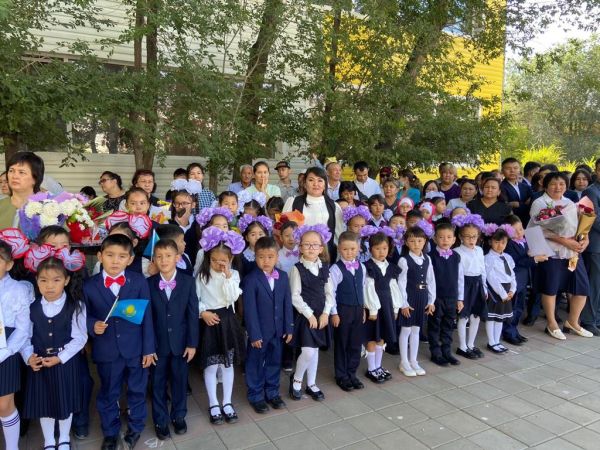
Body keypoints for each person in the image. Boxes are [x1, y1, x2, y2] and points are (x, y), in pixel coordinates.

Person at [83, 234, 155, 450]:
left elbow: (147, 317)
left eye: (122, 256)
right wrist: (92, 325)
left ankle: (136, 428)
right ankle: (110, 432)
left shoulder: (139, 281)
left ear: (130, 259)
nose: (115, 261)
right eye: (110, 255)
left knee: (137, 391)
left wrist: (148, 349)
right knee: (108, 393)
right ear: (99, 256)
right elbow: (83, 316)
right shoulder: (89, 286)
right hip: (107, 351)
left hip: (135, 349)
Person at [22, 255, 87, 450]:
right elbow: (25, 336)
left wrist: (60, 357)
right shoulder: (32, 307)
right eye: (43, 280)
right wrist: (28, 357)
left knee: (65, 402)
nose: (49, 286)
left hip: (64, 362)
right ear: (37, 281)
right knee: (45, 403)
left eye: (56, 280)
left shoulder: (76, 306)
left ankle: (64, 438)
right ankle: (49, 440)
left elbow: (80, 338)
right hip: (40, 363)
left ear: (66, 280)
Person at [528, 172, 593, 340]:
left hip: (572, 252)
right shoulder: (539, 202)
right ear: (545, 186)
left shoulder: (570, 202)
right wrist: (565, 242)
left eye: (562, 184)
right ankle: (552, 324)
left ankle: (572, 322)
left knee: (582, 287)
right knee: (550, 288)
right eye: (553, 184)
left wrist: (585, 238)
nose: (558, 187)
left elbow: (581, 225)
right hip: (551, 252)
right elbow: (540, 228)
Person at [148, 239, 198, 440]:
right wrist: (148, 346)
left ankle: (179, 416)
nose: (163, 260)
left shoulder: (188, 281)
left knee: (179, 381)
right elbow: (147, 319)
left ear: (177, 258)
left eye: (168, 256)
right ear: (154, 260)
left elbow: (192, 314)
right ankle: (160, 420)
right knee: (157, 384)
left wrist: (192, 343)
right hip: (157, 345)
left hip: (181, 344)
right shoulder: (148, 283)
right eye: (159, 256)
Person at [196, 227, 245, 425]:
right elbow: (196, 299)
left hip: (227, 320)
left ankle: (227, 402)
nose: (218, 264)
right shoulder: (202, 275)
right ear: (208, 258)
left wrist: (227, 277)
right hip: (210, 321)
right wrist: (203, 313)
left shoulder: (233, 275)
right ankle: (213, 403)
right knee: (211, 366)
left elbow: (232, 297)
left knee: (227, 364)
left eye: (223, 260)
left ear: (231, 259)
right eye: (214, 260)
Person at [243, 237, 294, 413]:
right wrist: (254, 334)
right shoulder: (251, 279)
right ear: (255, 257)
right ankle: (255, 395)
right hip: (259, 332)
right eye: (261, 257)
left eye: (270, 257)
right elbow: (249, 310)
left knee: (274, 361)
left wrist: (289, 327)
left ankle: (272, 392)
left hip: (278, 331)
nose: (266, 261)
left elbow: (287, 303)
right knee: (255, 363)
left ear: (277, 257)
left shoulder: (283, 277)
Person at [289, 225, 333, 401]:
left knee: (314, 351)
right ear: (300, 247)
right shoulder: (297, 269)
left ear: (321, 248)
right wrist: (309, 314)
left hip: (321, 316)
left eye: (315, 245)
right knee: (307, 351)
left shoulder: (325, 268)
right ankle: (297, 380)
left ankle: (312, 383)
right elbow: (295, 295)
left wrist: (326, 313)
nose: (311, 248)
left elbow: (329, 293)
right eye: (306, 244)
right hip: (306, 316)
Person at [0, 240, 32, 450]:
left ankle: (12, 447)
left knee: (4, 404)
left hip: (6, 348)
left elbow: (23, 328)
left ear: (9, 264)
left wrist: (6, 351)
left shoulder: (18, 290)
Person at [363, 231, 404, 382]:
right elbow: (368, 288)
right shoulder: (368, 267)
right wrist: (373, 310)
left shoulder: (391, 267)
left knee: (382, 338)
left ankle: (378, 366)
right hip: (374, 309)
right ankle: (371, 368)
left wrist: (395, 308)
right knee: (372, 338)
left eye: (384, 248)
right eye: (377, 248)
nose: (381, 252)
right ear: (370, 249)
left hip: (387, 307)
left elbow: (394, 288)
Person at [329, 232, 367, 391]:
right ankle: (341, 375)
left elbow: (363, 288)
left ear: (358, 248)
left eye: (352, 249)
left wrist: (363, 308)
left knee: (355, 343)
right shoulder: (335, 269)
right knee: (342, 343)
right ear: (339, 249)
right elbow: (331, 292)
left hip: (358, 309)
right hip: (343, 310)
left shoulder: (362, 267)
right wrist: (334, 313)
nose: (349, 252)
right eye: (345, 249)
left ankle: (352, 373)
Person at [283, 167, 344, 261]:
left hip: (325, 256)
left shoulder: (334, 206)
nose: (316, 184)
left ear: (325, 184)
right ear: (305, 183)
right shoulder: (293, 202)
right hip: (297, 256)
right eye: (311, 180)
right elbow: (282, 230)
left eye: (320, 180)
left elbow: (338, 235)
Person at [398, 226, 436, 377]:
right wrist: (404, 304)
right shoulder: (404, 260)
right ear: (406, 242)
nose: (416, 244)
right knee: (406, 330)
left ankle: (413, 360)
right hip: (410, 297)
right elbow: (401, 283)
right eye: (412, 241)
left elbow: (431, 280)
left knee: (416, 330)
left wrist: (431, 300)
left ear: (425, 241)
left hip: (422, 297)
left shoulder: (427, 258)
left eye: (419, 241)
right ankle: (404, 361)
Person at [502, 215, 545, 344]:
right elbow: (516, 262)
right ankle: (508, 332)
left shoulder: (524, 242)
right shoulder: (508, 245)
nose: (519, 233)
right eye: (515, 231)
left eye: (521, 229)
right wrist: (534, 259)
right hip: (514, 281)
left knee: (520, 307)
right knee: (512, 308)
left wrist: (533, 255)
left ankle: (514, 330)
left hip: (523, 280)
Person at [428, 222, 463, 367]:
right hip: (437, 298)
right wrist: (431, 300)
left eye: (449, 237)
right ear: (435, 239)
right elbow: (429, 280)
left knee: (449, 325)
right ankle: (435, 352)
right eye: (441, 237)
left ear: (454, 239)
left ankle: (447, 351)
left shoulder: (456, 256)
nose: (445, 240)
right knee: (435, 325)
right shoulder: (430, 257)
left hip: (452, 297)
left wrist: (460, 299)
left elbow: (460, 279)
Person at [454, 216, 487, 360]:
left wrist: (484, 288)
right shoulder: (457, 252)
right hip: (465, 285)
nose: (471, 239)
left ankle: (471, 344)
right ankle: (462, 346)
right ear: (461, 237)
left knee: (476, 315)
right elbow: (459, 276)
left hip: (478, 284)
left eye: (474, 236)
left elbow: (483, 269)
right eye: (467, 236)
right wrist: (460, 297)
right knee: (463, 316)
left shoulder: (479, 250)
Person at [484, 228, 516, 354]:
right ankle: (491, 342)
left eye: (503, 243)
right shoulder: (488, 258)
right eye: (496, 242)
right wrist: (502, 293)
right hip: (495, 291)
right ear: (490, 242)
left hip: (507, 290)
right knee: (492, 317)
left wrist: (512, 290)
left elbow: (512, 275)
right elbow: (491, 278)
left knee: (500, 317)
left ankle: (497, 341)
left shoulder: (507, 257)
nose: (500, 245)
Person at [0, 151, 45, 229]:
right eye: (11, 171)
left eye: (21, 172)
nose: (14, 176)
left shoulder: (48, 208)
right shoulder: (2, 205)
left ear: (35, 178)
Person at [582, 159, 600, 335]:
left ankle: (598, 318)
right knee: (594, 283)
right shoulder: (591, 191)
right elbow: (593, 218)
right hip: (595, 245)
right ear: (596, 170)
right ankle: (588, 320)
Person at [500, 158, 533, 225]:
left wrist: (518, 204)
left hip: (528, 221)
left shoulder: (526, 187)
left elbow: (532, 203)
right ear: (502, 171)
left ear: (519, 170)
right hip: (511, 223)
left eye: (515, 168)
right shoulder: (500, 187)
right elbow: (505, 206)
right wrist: (525, 204)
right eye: (508, 168)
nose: (512, 171)